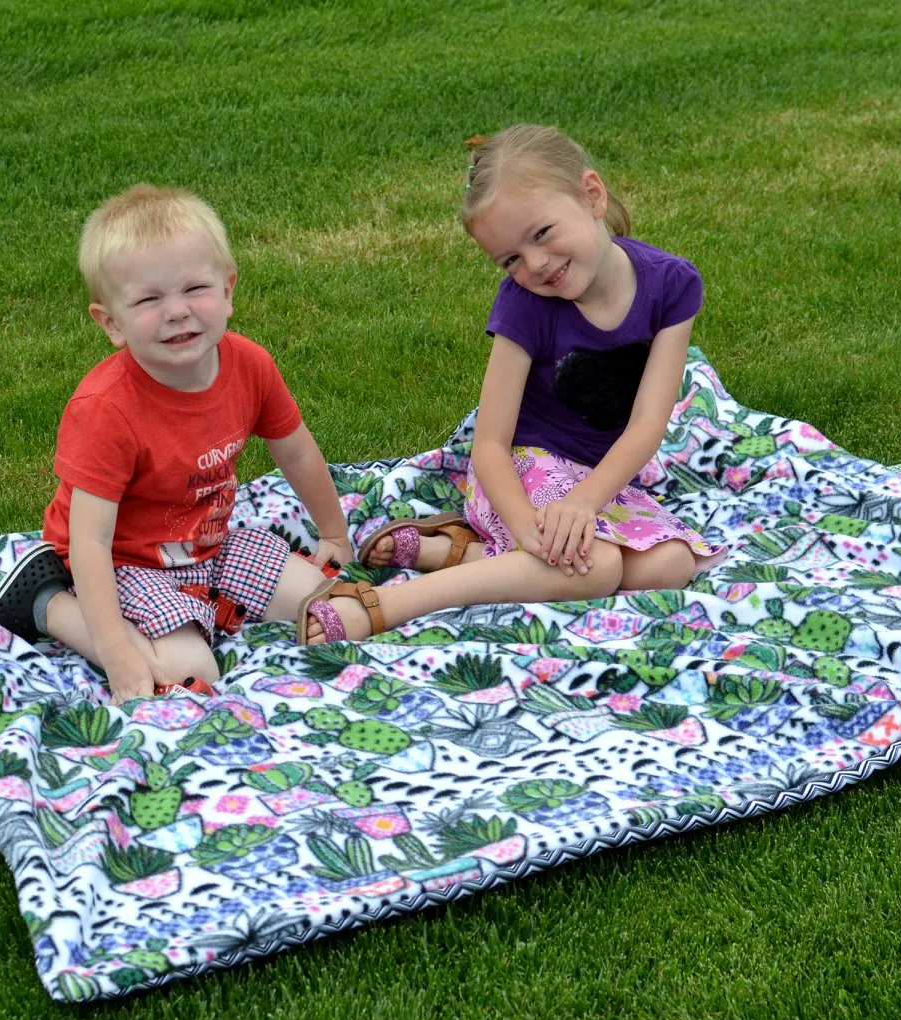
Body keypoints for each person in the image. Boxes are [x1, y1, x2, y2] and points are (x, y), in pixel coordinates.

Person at [300, 125, 719, 642]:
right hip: (521, 469)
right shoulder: (525, 304)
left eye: (541, 234)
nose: (537, 264)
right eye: (511, 259)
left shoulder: (672, 284)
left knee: (671, 565)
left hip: (601, 480)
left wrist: (584, 501)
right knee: (599, 566)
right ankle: (390, 602)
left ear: (591, 194)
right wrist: (524, 528)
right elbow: (491, 444)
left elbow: (648, 422)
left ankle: (456, 553)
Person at [0, 184, 352, 701]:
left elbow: (297, 450)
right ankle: (47, 603)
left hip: (210, 546)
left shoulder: (250, 366)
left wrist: (334, 534)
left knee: (329, 603)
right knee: (191, 673)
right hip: (122, 561)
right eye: (150, 299)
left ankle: (208, 608)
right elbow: (89, 541)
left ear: (228, 291)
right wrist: (116, 652)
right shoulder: (107, 409)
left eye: (194, 288)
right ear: (111, 323)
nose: (177, 311)